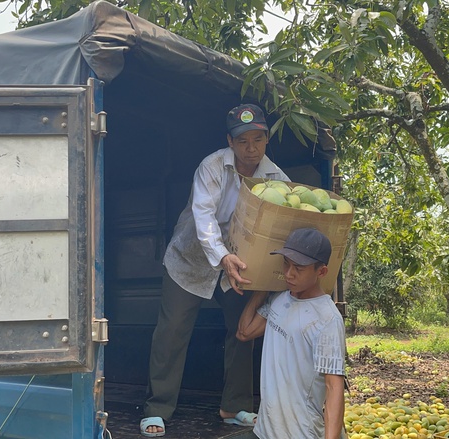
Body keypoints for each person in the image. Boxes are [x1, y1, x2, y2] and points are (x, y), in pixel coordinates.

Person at [140, 103, 290, 437]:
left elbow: (284, 224)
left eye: (257, 140)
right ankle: (157, 409)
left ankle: (234, 406)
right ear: (230, 141)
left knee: (242, 330)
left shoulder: (278, 180)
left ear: (267, 139)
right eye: (242, 141)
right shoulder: (212, 167)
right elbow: (204, 218)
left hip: (238, 264)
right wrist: (223, 258)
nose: (251, 148)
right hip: (190, 260)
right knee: (171, 331)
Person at [236, 228, 347, 439]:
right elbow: (244, 332)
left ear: (321, 272)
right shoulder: (279, 300)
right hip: (266, 432)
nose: (289, 273)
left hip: (301, 433)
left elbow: (334, 388)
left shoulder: (327, 319)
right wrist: (262, 288)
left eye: (299, 268)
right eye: (286, 264)